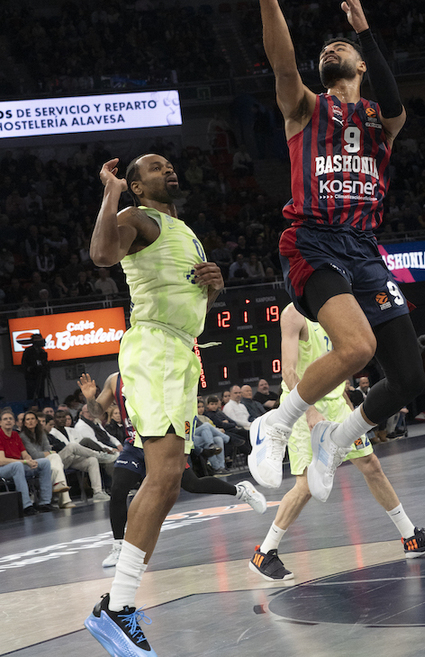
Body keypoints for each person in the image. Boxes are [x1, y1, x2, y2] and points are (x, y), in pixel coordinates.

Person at [247, 0, 424, 500]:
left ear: (361, 64)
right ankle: (275, 425)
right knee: (356, 349)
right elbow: (280, 60)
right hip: (313, 241)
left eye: (339, 47)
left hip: (364, 248)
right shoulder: (305, 107)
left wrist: (364, 28)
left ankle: (338, 438)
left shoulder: (380, 119)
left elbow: (397, 104)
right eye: (324, 49)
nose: (330, 50)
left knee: (410, 378)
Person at [84, 153, 225, 657]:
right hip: (154, 349)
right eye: (155, 167)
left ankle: (118, 606)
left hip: (180, 351)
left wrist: (214, 287)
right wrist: (111, 191)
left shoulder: (184, 230)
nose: (168, 170)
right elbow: (101, 254)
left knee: (166, 485)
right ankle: (118, 610)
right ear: (137, 186)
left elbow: (194, 306)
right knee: (163, 478)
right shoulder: (135, 216)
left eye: (168, 165)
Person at [249, 305, 425, 579]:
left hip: (335, 404)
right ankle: (265, 552)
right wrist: (309, 410)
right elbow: (288, 371)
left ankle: (410, 537)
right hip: (302, 407)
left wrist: (345, 401)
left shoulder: (331, 308)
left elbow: (338, 361)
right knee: (306, 485)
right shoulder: (293, 314)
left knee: (371, 465)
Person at [79, 371, 266, 570]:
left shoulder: (154, 369)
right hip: (135, 444)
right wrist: (90, 397)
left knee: (191, 484)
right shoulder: (114, 379)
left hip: (161, 442)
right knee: (118, 489)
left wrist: (183, 442)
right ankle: (118, 546)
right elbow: (98, 412)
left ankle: (241, 491)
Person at [45, 411, 112, 501]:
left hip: (72, 458)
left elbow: (81, 447)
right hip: (59, 460)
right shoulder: (52, 433)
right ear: (54, 420)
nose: (61, 419)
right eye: (58, 417)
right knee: (72, 445)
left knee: (92, 460)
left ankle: (98, 492)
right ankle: (99, 455)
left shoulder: (72, 430)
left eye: (63, 417)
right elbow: (59, 447)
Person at [0, 407, 53, 515]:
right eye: (5, 419)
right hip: (3, 468)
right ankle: (26, 506)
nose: (8, 420)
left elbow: (24, 453)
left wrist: (30, 460)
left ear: (14, 422)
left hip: (18, 465)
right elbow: (1, 460)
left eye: (10, 418)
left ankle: (45, 503)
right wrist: (24, 462)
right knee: (17, 466)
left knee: (44, 462)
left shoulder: (15, 435)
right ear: (0, 422)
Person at [19, 410, 75, 508]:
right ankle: (64, 499)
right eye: (28, 419)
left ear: (37, 421)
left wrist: (48, 453)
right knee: (55, 458)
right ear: (24, 423)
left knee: (55, 461)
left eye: (33, 419)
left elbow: (47, 449)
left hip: (46, 461)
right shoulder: (23, 436)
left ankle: (60, 490)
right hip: (33, 462)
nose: (31, 421)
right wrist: (48, 453)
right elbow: (34, 454)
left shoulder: (41, 433)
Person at [21, 333, 49, 401]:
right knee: (31, 394)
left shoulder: (42, 351)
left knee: (41, 393)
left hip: (41, 376)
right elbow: (24, 364)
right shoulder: (28, 351)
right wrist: (30, 369)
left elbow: (44, 362)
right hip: (31, 377)